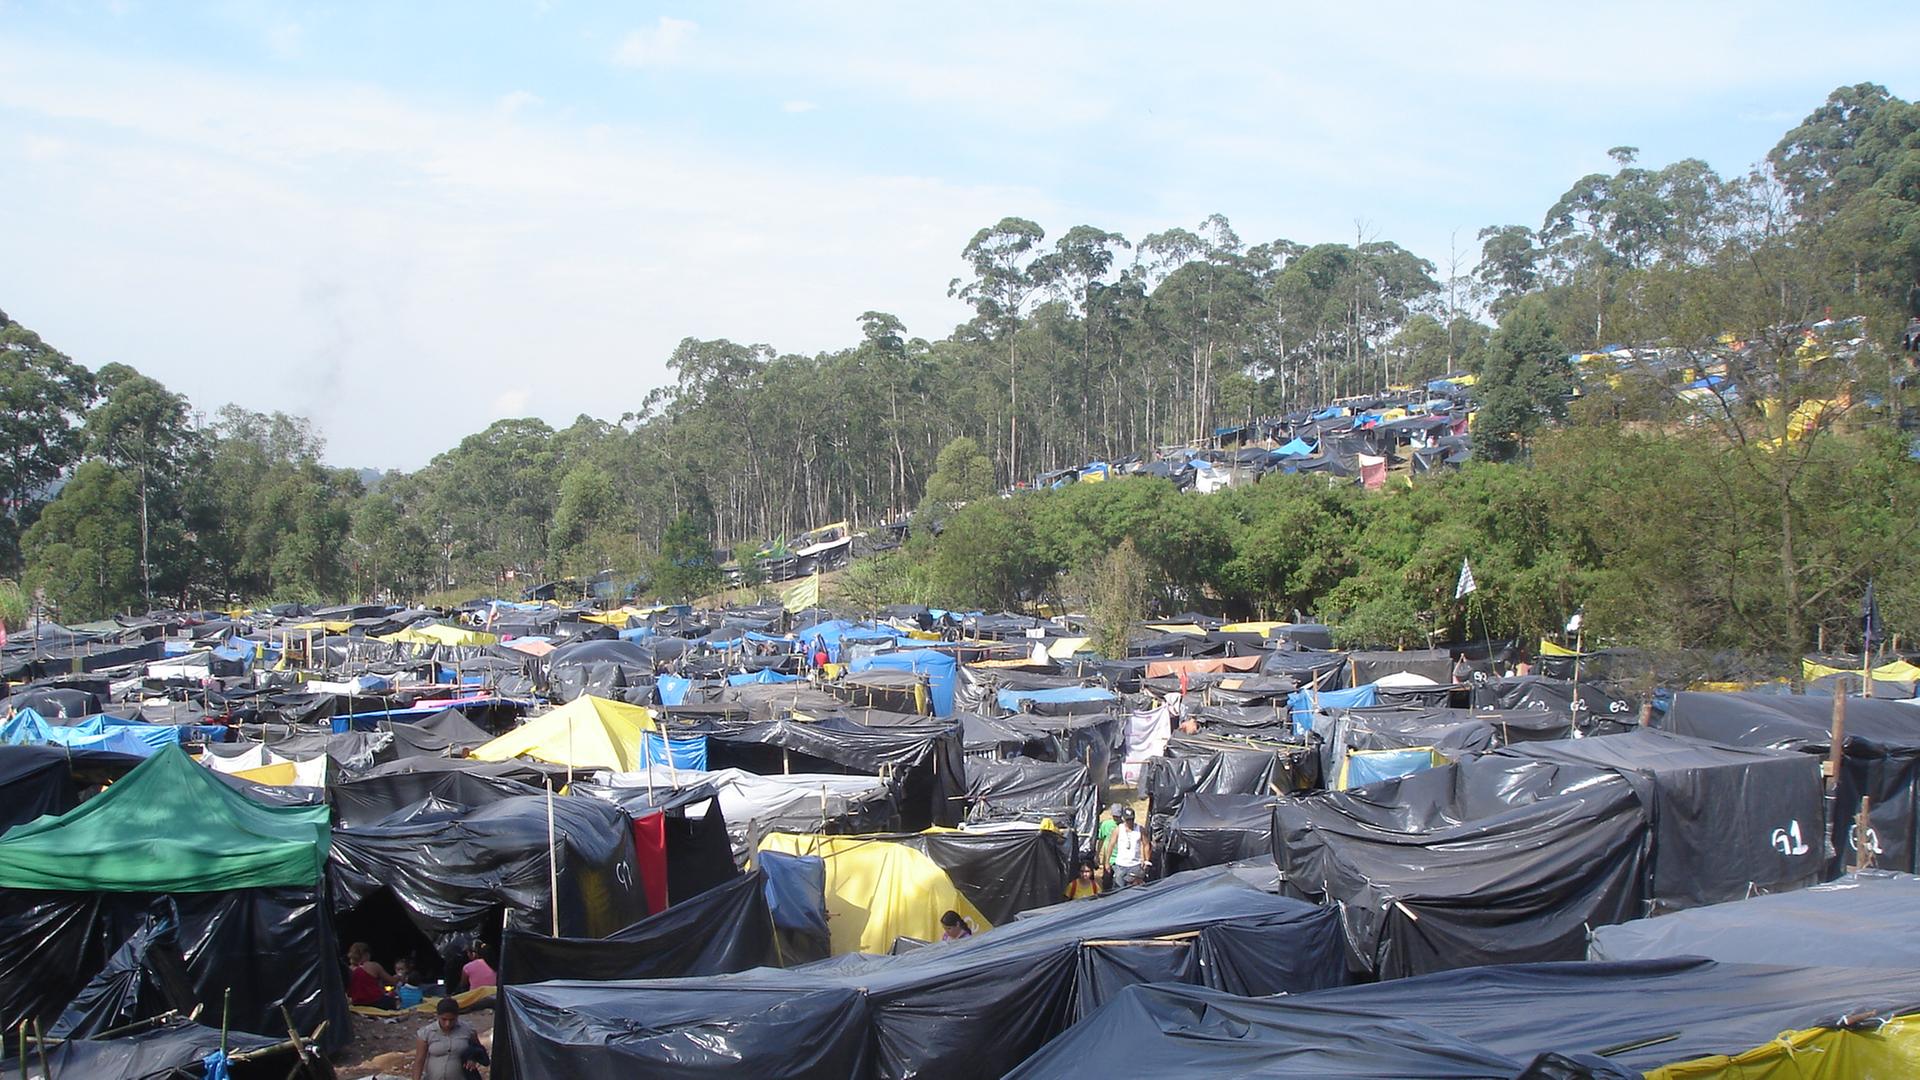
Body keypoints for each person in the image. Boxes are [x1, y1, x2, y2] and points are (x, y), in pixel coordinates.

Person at [413, 998, 485, 1080]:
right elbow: (419, 1060)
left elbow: (479, 1050)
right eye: (444, 1019)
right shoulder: (427, 1033)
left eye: (452, 1020)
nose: (447, 1024)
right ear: (438, 1016)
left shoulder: (468, 1030)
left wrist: (473, 1059)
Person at [1102, 807, 1150, 888]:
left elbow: (1146, 844)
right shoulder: (1118, 830)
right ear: (1124, 819)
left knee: (1135, 889)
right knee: (1118, 888)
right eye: (1128, 820)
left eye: (1131, 819)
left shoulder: (1140, 829)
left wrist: (1146, 860)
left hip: (1135, 864)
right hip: (1120, 865)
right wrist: (1107, 862)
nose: (1130, 822)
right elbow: (1110, 845)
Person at [346, 942, 395, 1009]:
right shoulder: (373, 966)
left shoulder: (347, 970)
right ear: (366, 954)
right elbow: (392, 981)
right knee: (393, 1000)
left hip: (357, 1004)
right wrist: (399, 977)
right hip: (376, 1002)